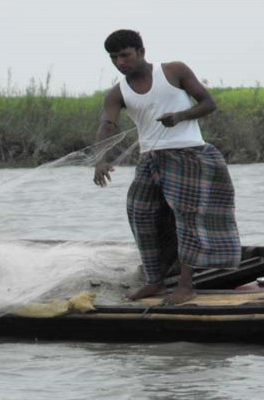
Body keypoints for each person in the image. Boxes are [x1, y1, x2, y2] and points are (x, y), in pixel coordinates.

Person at [94, 29, 240, 305]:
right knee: (140, 213)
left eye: (125, 55)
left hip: (189, 154)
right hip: (150, 159)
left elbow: (208, 103)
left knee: (187, 219)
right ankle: (155, 281)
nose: (120, 62)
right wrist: (101, 159)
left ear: (141, 51)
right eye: (114, 58)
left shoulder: (173, 71)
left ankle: (186, 286)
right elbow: (107, 124)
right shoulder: (117, 92)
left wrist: (180, 116)